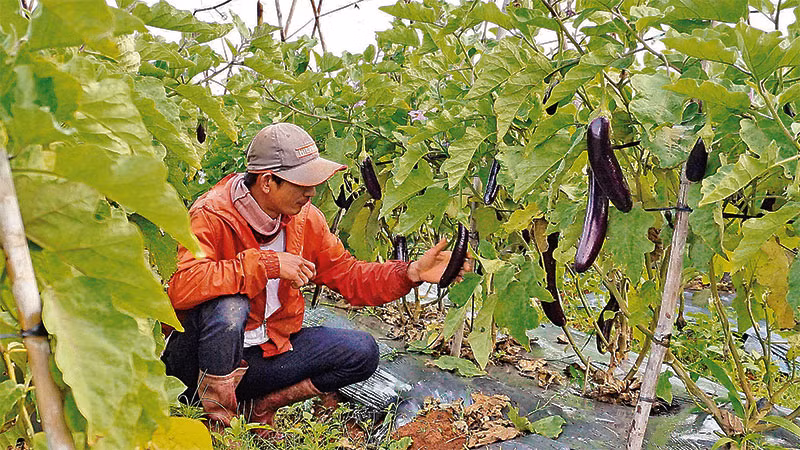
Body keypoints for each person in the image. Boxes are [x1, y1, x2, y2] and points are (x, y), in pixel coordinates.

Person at [162, 122, 471, 437]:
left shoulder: (305, 219)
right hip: (197, 363)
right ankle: (219, 423)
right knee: (231, 305)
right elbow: (182, 285)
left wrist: (410, 273)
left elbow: (349, 275)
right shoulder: (212, 213)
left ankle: (259, 407)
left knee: (361, 351)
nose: (311, 192)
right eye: (302, 183)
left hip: (261, 356)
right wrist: (267, 264)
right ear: (267, 182)